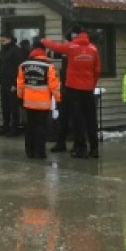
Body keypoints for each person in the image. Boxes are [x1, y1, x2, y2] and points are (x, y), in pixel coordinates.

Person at [43, 26, 102, 158]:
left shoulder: (71, 47)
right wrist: (92, 84)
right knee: (91, 120)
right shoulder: (93, 49)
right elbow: (97, 70)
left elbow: (55, 46)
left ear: (74, 36)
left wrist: (44, 40)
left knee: (78, 120)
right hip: (88, 90)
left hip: (73, 89)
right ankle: (94, 149)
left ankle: (81, 148)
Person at [16, 39, 61, 160]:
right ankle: (39, 152)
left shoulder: (23, 65)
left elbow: (20, 84)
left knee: (30, 126)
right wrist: (59, 99)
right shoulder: (49, 67)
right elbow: (54, 86)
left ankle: (29, 151)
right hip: (43, 104)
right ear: (44, 50)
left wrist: (20, 98)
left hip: (28, 102)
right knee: (41, 128)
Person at [0, 31, 24, 137]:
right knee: (5, 106)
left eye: (3, 40)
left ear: (9, 39)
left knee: (13, 107)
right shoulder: (3, 51)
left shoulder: (16, 51)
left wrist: (15, 84)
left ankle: (15, 128)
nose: (1, 42)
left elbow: (19, 68)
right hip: (4, 82)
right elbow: (0, 66)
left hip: (12, 83)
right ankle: (5, 126)